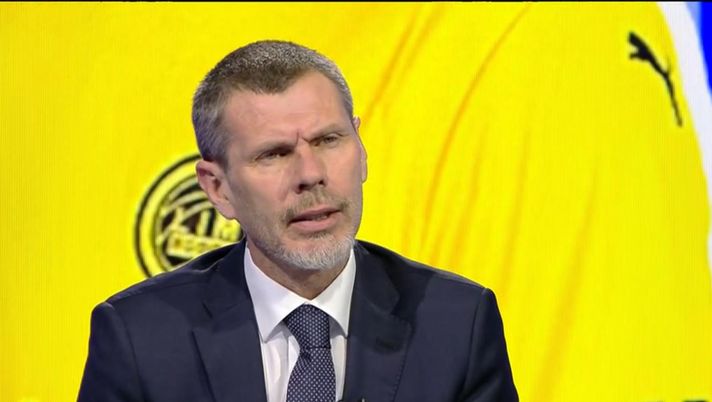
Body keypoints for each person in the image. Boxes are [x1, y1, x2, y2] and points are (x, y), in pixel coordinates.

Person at [78, 40, 518, 402]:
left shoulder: (456, 323)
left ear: (361, 150)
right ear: (218, 188)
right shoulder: (141, 337)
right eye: (274, 154)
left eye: (328, 140)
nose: (311, 174)